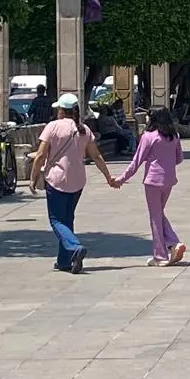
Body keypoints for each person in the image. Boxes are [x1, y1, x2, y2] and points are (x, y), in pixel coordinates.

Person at [29, 93, 119, 274]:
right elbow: (96, 156)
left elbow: (40, 155)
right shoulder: (83, 129)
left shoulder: (52, 126)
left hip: (56, 179)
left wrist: (32, 178)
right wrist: (108, 177)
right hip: (77, 180)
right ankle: (64, 261)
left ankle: (74, 247)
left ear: (62, 110)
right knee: (67, 219)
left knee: (56, 220)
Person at [115, 106, 187, 267]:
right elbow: (179, 158)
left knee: (155, 217)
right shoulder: (174, 136)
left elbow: (137, 161)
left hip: (153, 180)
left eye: (149, 116)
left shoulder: (148, 136)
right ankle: (172, 244)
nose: (146, 119)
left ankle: (162, 254)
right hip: (169, 180)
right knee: (159, 213)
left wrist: (121, 179)